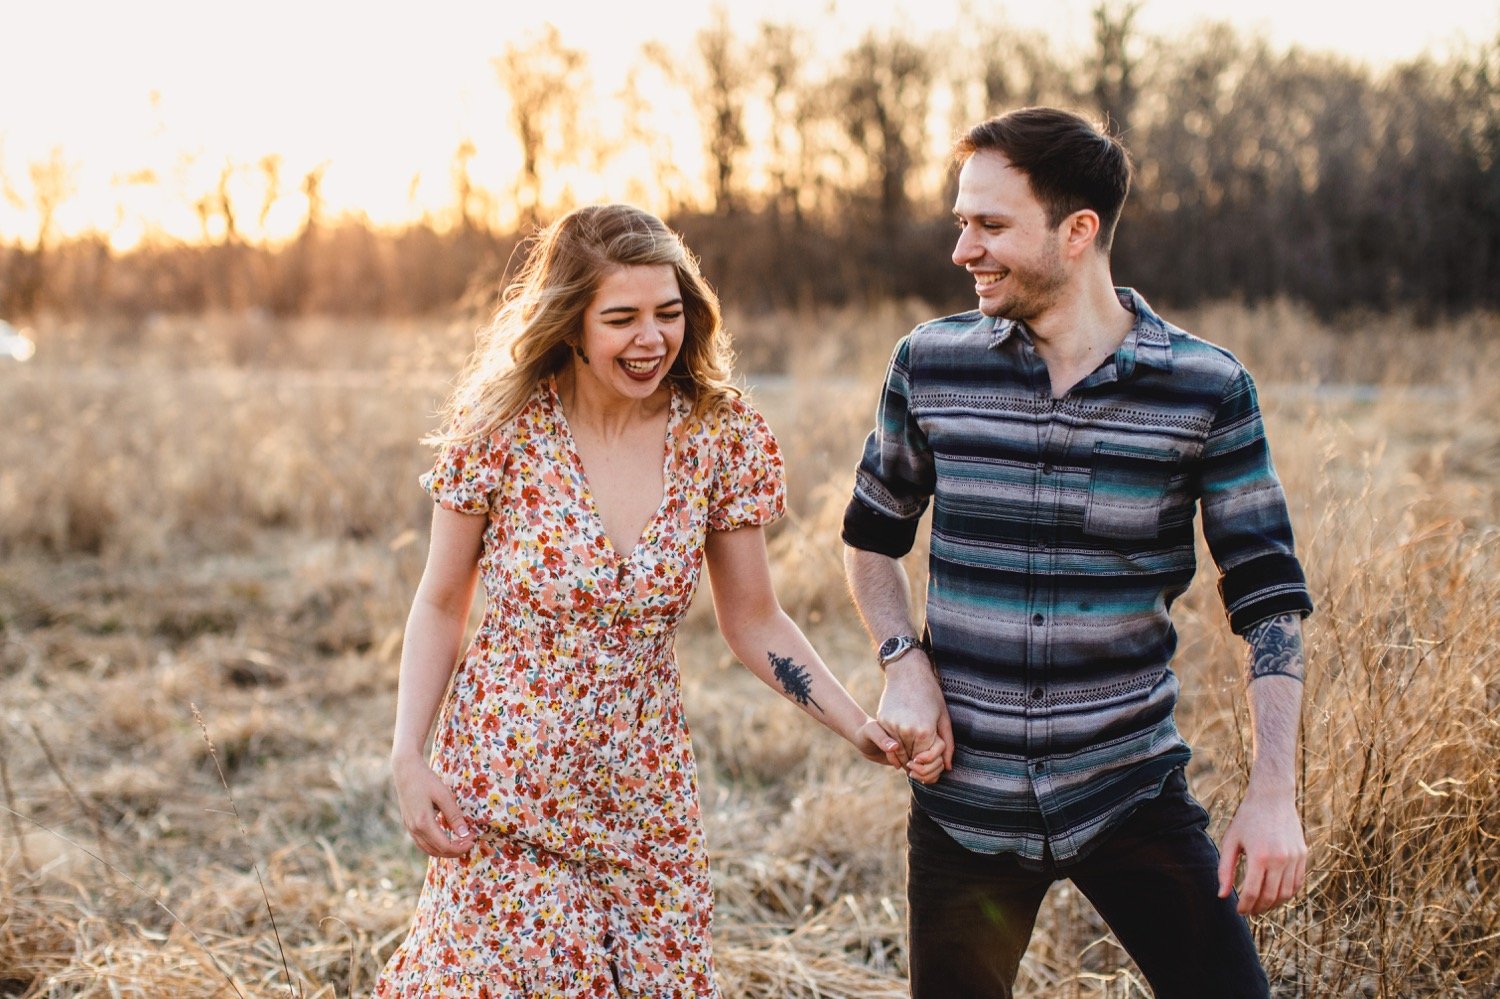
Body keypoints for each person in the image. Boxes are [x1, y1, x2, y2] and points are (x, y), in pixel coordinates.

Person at [375, 204, 940, 998]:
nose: (652, 339)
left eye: (669, 313)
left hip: (645, 799)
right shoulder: (499, 431)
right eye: (623, 318)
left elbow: (754, 618)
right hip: (504, 788)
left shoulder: (719, 432)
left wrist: (857, 726)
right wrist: (409, 753)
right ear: (571, 322)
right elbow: (440, 602)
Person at [842, 107, 1313, 998]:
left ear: (1078, 231)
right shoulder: (930, 364)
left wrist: (1274, 791)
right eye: (960, 223)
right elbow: (871, 536)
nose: (963, 250)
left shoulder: (1208, 389)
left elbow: (1268, 598)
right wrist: (902, 661)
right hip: (963, 808)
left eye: (990, 225)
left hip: (1126, 787)